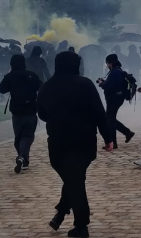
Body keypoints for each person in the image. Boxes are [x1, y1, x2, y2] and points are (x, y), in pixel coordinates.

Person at [38, 51, 113, 238]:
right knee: (75, 180)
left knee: (74, 179)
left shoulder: (46, 87)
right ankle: (77, 222)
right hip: (83, 141)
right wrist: (107, 137)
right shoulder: (85, 84)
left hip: (57, 143)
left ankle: (68, 217)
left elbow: (42, 115)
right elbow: (99, 112)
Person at [0, 54, 42, 173]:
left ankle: (23, 158)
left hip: (17, 112)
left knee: (18, 137)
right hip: (31, 110)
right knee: (27, 136)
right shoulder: (32, 75)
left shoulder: (10, 76)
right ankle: (23, 157)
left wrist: (8, 76)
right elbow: (41, 87)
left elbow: (1, 89)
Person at [97, 54, 135, 149]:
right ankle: (127, 133)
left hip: (114, 99)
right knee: (110, 119)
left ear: (110, 63)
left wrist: (102, 83)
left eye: (107, 63)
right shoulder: (117, 71)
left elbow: (109, 86)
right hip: (117, 98)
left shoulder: (114, 72)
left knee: (109, 119)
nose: (107, 65)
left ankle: (113, 142)